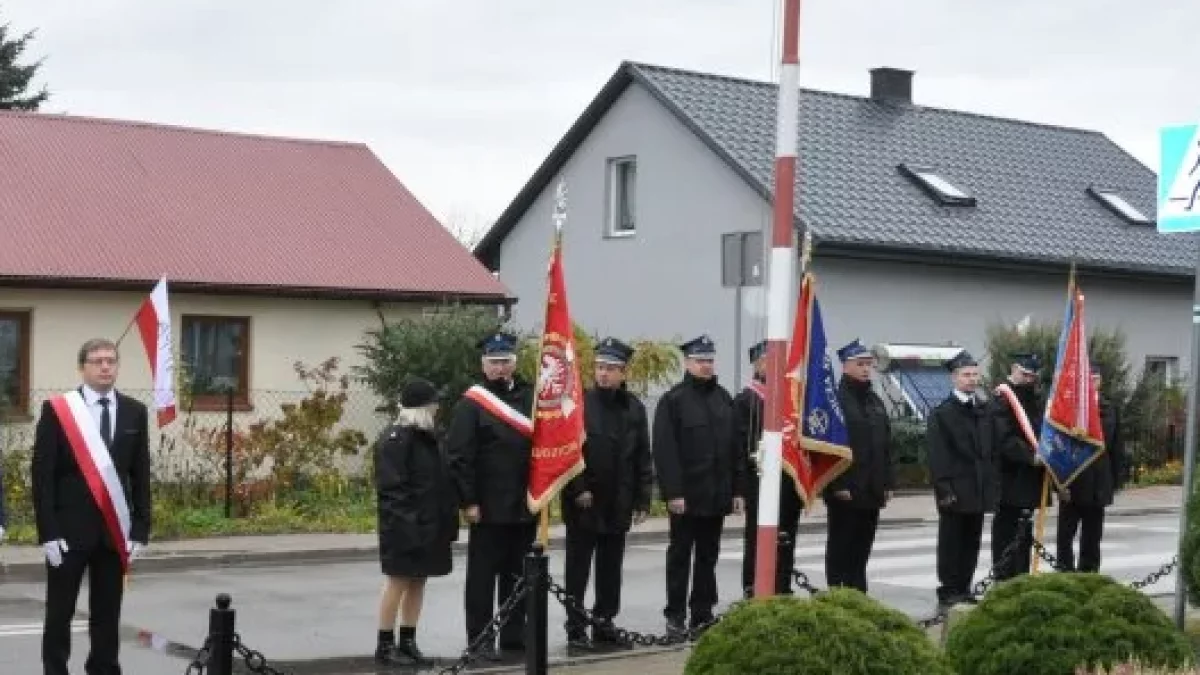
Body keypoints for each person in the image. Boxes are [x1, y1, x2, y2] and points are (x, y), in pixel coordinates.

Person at [32, 337, 151, 675]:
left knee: (107, 613)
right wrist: (48, 532)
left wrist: (140, 529)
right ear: (82, 367)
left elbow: (140, 474)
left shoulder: (134, 411)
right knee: (59, 612)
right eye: (97, 361)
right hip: (67, 533)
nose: (104, 366)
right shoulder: (58, 411)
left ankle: (104, 669)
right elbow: (42, 476)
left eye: (110, 360)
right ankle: (55, 670)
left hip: (114, 530)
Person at [446, 331, 536, 660]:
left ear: (515, 362)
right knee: (482, 580)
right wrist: (468, 501)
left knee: (518, 576)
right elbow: (459, 456)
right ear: (483, 365)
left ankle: (514, 638)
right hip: (487, 507)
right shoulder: (472, 404)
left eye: (505, 361)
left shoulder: (530, 398)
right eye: (494, 362)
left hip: (525, 505)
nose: (500, 368)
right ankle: (481, 639)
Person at [560, 337, 653, 650]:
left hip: (619, 500)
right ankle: (575, 628)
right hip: (585, 501)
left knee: (610, 569)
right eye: (600, 367)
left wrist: (642, 499)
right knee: (578, 569)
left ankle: (604, 624)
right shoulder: (580, 403)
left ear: (623, 373)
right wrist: (578, 488)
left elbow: (642, 456)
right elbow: (568, 451)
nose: (604, 374)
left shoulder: (634, 408)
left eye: (611, 368)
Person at [652, 334, 744, 637]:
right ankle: (675, 615)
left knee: (708, 557)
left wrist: (737, 491)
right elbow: (665, 451)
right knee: (680, 557)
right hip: (687, 497)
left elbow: (735, 450)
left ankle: (702, 613)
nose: (706, 365)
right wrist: (673, 493)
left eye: (709, 360)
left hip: (716, 494)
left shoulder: (723, 398)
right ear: (687, 363)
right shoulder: (673, 401)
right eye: (700, 360)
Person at [373, 377, 458, 667]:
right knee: (397, 581)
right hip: (404, 527)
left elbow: (441, 483)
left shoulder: (430, 438)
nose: (438, 408)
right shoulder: (397, 441)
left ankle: (408, 640)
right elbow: (392, 491)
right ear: (422, 407)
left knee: (419, 581)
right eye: (434, 403)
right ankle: (385, 644)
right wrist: (409, 529)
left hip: (429, 525)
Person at [925, 350, 997, 609]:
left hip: (977, 488)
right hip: (955, 487)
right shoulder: (943, 413)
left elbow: (990, 451)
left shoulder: (983, 410)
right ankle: (948, 588)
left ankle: (964, 586)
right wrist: (944, 489)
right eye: (966, 375)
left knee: (972, 540)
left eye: (975, 375)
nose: (972, 380)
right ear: (954, 378)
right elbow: (938, 455)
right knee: (951, 541)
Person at [823, 338, 894, 593]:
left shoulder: (874, 401)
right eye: (860, 364)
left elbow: (885, 445)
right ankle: (837, 591)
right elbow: (828, 447)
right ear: (845, 366)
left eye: (868, 364)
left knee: (862, 547)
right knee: (841, 544)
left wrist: (887, 482)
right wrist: (835, 484)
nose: (866, 369)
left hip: (871, 488)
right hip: (846, 487)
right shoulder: (837, 400)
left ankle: (857, 592)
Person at [735, 339, 800, 597]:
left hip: (787, 482)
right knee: (758, 539)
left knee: (786, 538)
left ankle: (783, 587)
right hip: (758, 482)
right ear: (757, 365)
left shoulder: (790, 402)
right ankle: (754, 589)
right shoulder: (745, 402)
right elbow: (740, 448)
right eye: (769, 363)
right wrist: (740, 488)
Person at [1056, 361, 1127, 572]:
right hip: (1073, 482)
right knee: (1065, 536)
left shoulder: (1109, 408)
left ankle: (1089, 575)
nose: (1092, 382)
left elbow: (1116, 447)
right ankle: (1065, 575)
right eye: (1087, 379)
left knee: (1092, 537)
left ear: (1100, 381)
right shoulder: (1070, 410)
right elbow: (1059, 448)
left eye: (1095, 379)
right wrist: (1058, 483)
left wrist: (1115, 480)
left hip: (1098, 483)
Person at [990, 353, 1049, 581]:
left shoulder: (1033, 399)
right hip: (1010, 478)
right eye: (1024, 374)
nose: (1028, 380)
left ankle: (1021, 577)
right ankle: (1003, 579)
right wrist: (1030, 456)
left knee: (1024, 534)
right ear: (1014, 369)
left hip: (1030, 478)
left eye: (1032, 376)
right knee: (1006, 531)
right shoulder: (1002, 398)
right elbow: (1004, 439)